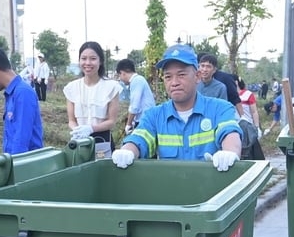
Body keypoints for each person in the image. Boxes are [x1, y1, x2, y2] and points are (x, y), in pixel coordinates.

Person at [111, 44, 243, 170]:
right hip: (171, 190)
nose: (174, 83)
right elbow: (139, 139)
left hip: (212, 191)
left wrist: (230, 153)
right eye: (168, 76)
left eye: (181, 75)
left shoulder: (220, 109)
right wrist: (127, 151)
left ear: (197, 76)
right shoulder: (154, 115)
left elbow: (229, 133)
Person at [0, 45, 43, 154]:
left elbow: (21, 141)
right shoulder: (11, 93)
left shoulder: (23, 93)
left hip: (26, 166)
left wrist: (14, 167)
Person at [64, 41, 121, 150]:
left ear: (100, 61)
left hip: (102, 141)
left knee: (102, 166)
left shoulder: (111, 87)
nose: (88, 63)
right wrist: (77, 131)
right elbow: (71, 120)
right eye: (84, 58)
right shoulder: (71, 88)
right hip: (79, 141)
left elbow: (111, 121)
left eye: (93, 59)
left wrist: (91, 129)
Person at [115, 58, 155, 134]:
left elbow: (134, 106)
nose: (120, 79)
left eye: (119, 76)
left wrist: (128, 124)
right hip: (144, 120)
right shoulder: (137, 81)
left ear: (122, 73)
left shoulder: (137, 80)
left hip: (145, 121)